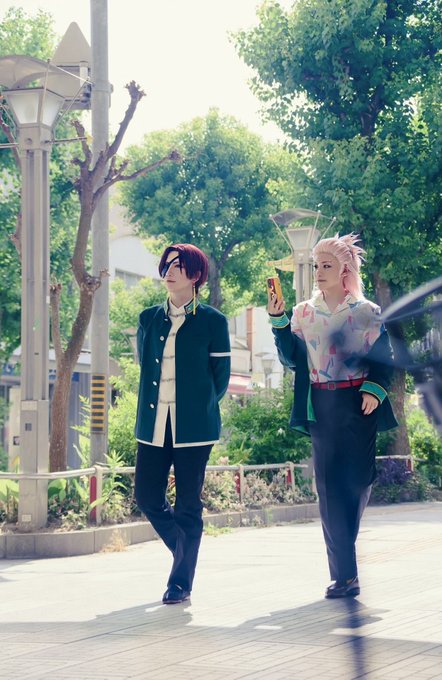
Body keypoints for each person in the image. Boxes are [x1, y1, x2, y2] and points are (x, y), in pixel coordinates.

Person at [268, 233, 397, 598]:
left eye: (327, 265)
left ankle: (344, 553)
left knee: (358, 481)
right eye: (316, 265)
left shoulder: (367, 312)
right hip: (321, 403)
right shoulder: (303, 313)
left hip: (358, 403)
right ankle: (345, 576)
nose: (319, 271)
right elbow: (291, 358)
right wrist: (278, 320)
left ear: (344, 270)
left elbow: (384, 358)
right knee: (328, 488)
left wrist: (374, 389)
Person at [134, 243, 231, 604]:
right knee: (146, 496)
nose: (169, 271)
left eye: (178, 265)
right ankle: (184, 547)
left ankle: (180, 583)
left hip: (195, 429)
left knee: (188, 504)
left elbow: (220, 378)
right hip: (153, 424)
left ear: (195, 275)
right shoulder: (148, 318)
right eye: (166, 265)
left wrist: (197, 406)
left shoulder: (213, 322)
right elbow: (146, 367)